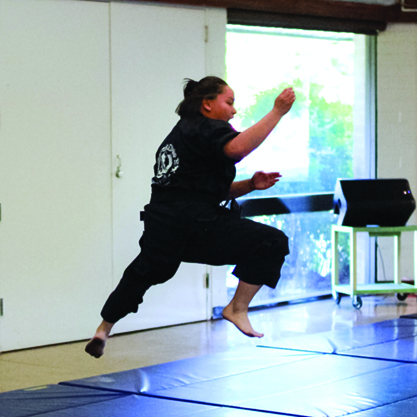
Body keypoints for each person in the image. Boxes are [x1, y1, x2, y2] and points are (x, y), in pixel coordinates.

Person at [85, 76, 295, 358]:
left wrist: (249, 185)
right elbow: (237, 148)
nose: (234, 111)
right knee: (272, 242)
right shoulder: (207, 127)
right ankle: (237, 308)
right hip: (196, 224)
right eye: (229, 102)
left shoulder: (180, 135)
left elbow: (197, 189)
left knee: (144, 272)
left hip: (164, 226)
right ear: (207, 105)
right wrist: (277, 112)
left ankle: (103, 329)